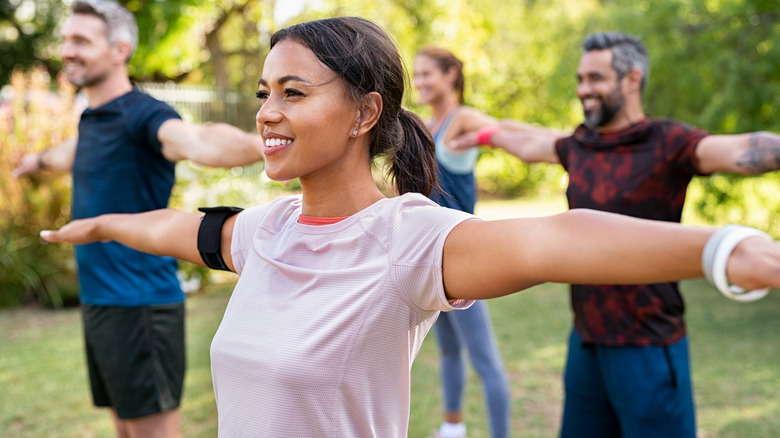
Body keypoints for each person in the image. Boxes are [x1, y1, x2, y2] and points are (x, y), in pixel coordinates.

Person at [38, 18, 780, 438]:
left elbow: (557, 239)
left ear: (365, 113)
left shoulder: (409, 240)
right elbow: (184, 229)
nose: (266, 111)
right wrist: (105, 222)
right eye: (265, 92)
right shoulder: (267, 230)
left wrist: (721, 247)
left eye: (293, 92)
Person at [449, 31, 780, 438]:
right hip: (586, 343)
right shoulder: (579, 144)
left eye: (595, 78)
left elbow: (743, 149)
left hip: (648, 347)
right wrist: (481, 135)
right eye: (580, 79)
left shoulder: (669, 143)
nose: (583, 89)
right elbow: (526, 140)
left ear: (631, 79)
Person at [12, 1, 263, 437]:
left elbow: (198, 141)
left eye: (81, 41)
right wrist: (33, 161)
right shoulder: (94, 120)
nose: (66, 49)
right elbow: (68, 154)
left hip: (140, 305)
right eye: (66, 38)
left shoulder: (143, 115)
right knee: (125, 429)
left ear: (119, 49)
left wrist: (267, 144)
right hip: (102, 303)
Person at [413, 47, 510, 438]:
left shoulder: (463, 119)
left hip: (465, 257)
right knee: (450, 351)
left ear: (451, 74)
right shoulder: (425, 124)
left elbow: (506, 131)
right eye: (416, 75)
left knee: (484, 359)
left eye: (427, 74)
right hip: (432, 259)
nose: (419, 82)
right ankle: (452, 428)